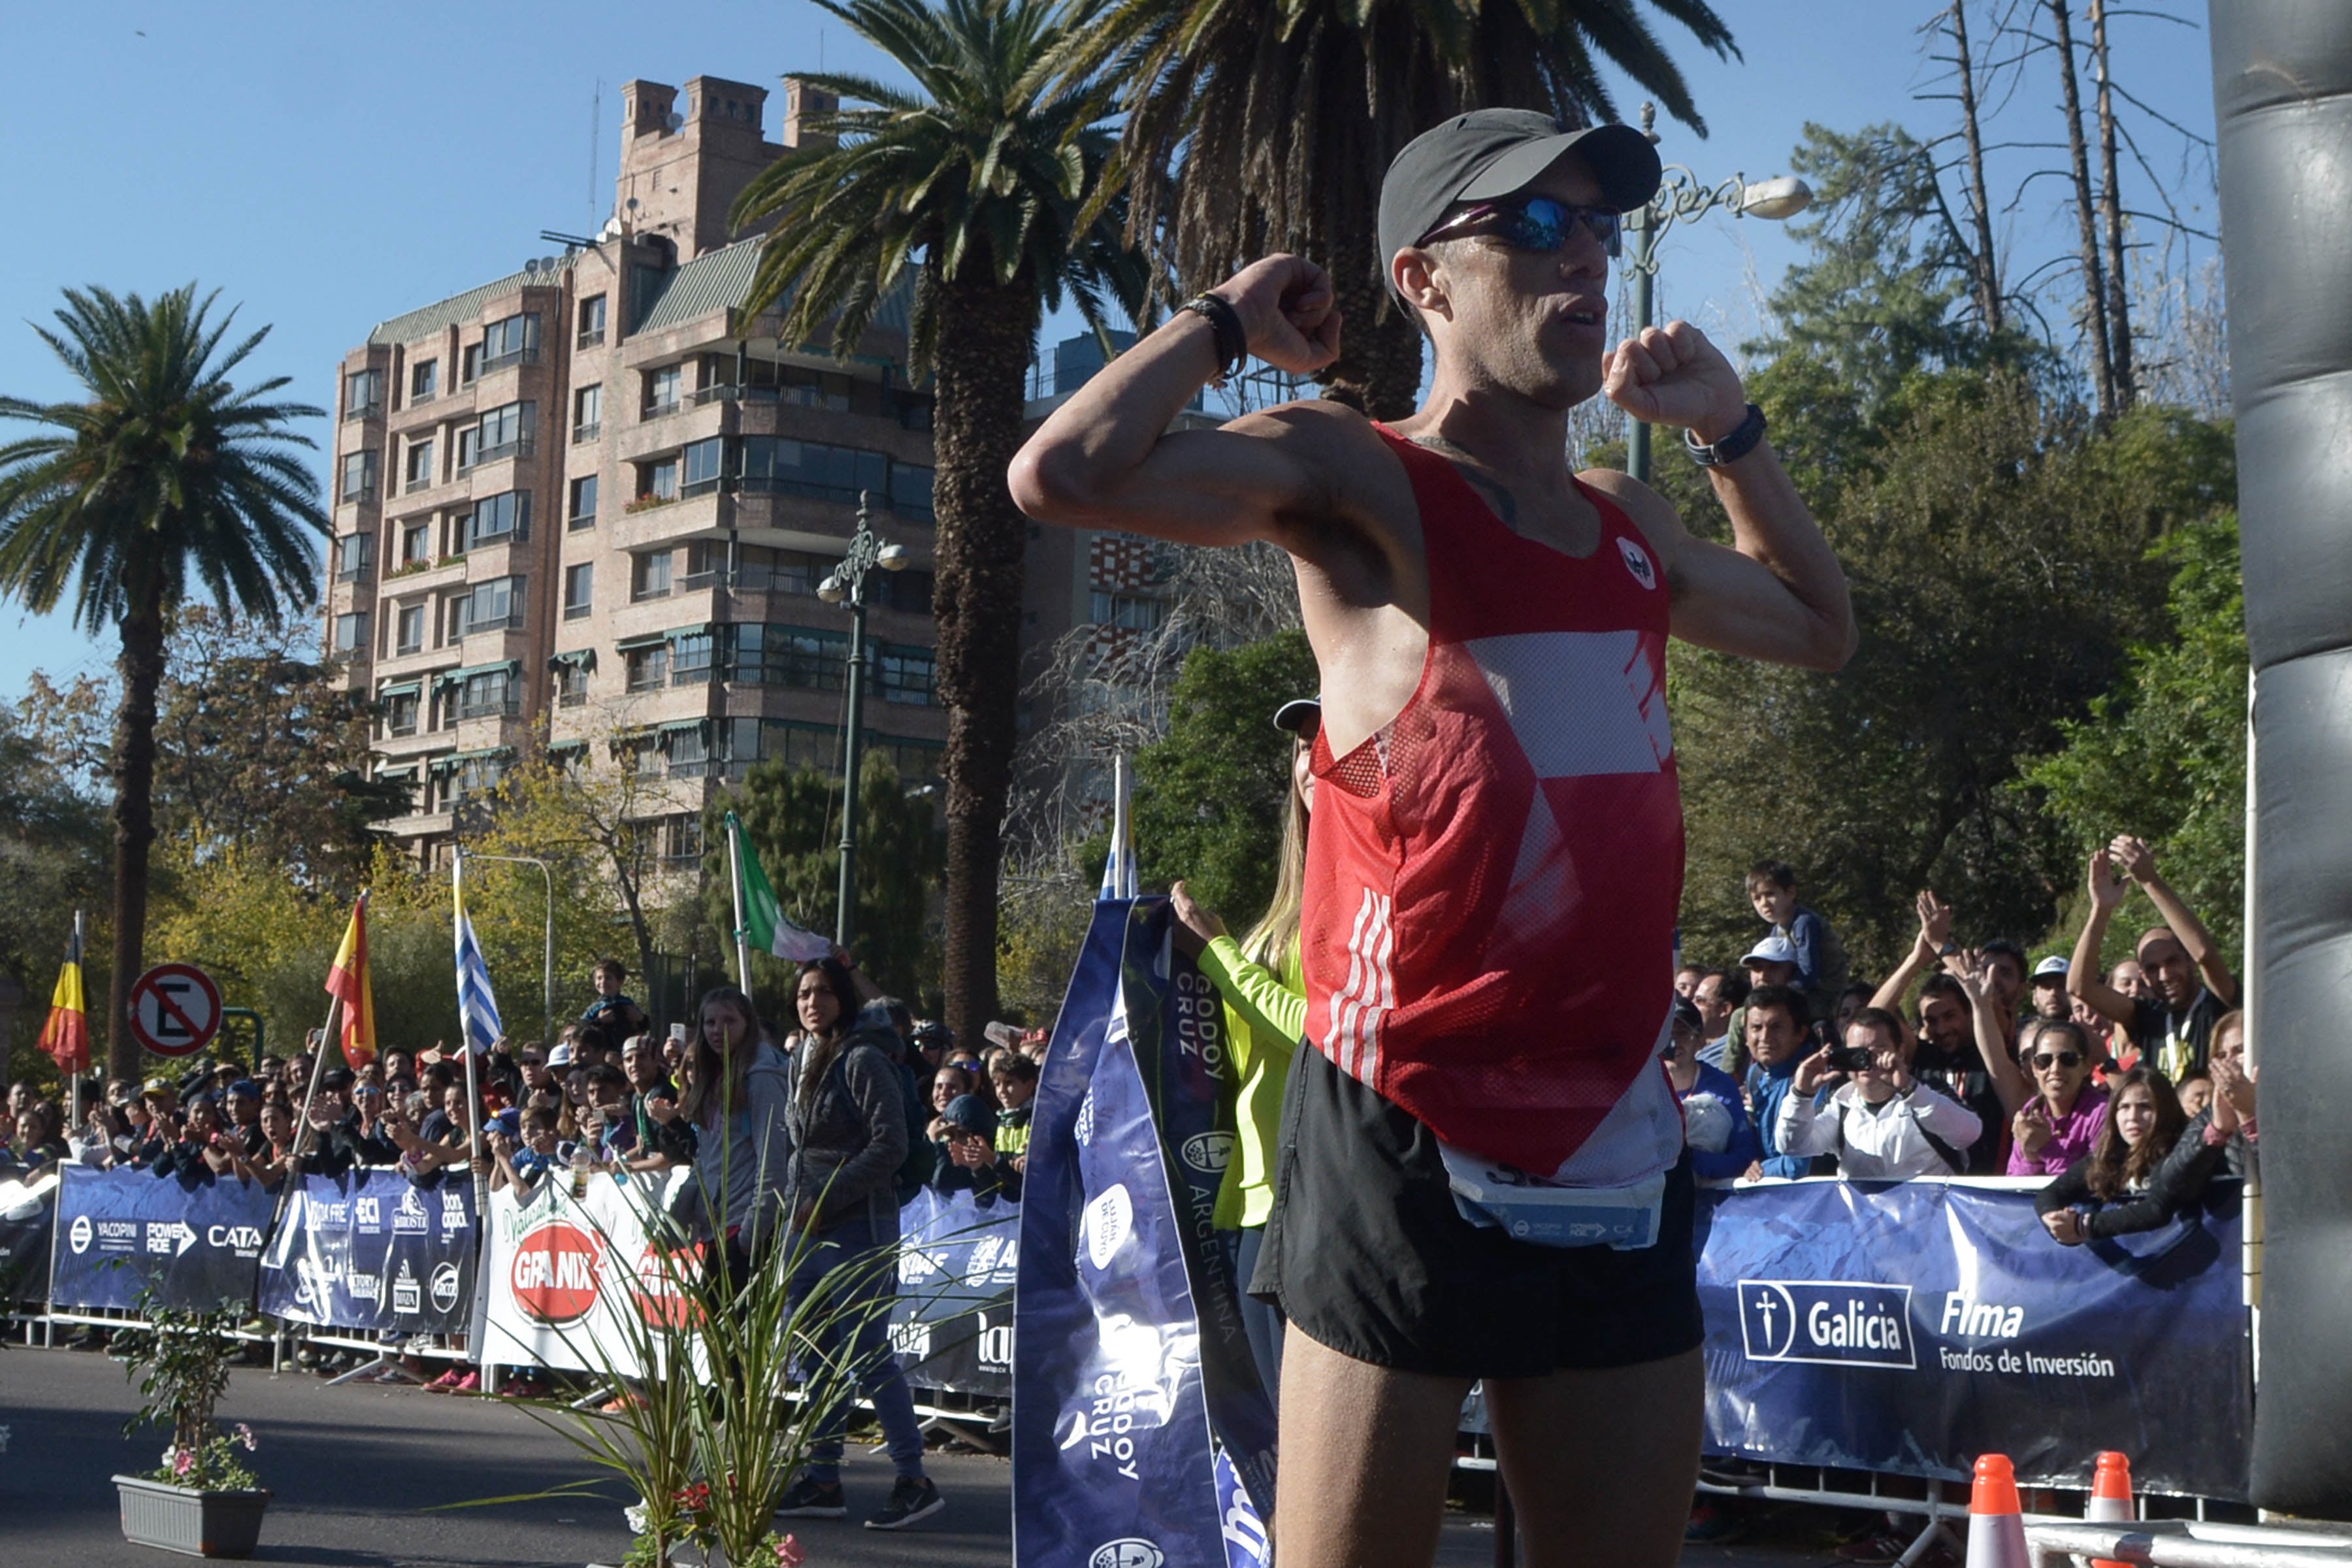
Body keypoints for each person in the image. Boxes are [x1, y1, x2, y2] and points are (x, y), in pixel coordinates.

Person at [1011, 106, 1856, 1567]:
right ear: (1426, 280)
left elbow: (1820, 630)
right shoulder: (1362, 478)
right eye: (1532, 225)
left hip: (1611, 1127)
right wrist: (1221, 323)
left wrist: (1735, 431)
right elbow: (1062, 474)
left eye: (1596, 226)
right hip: (1405, 1121)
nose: (1580, 256)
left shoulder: (1628, 518)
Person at [1171, 689, 1317, 1405]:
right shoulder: (1287, 906)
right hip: (1249, 1197)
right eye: (1301, 746)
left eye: (1332, 737)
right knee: (1271, 1436)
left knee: (1306, 1443)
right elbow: (1241, 1050)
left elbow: (1317, 1032)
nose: (1313, 757)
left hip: (1317, 1196)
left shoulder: (1361, 900)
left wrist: (1220, 956)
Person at [772, 959, 943, 1531]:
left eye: (822, 991)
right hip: (805, 1228)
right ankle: (823, 1477)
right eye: (802, 993)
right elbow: (797, 1147)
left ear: (843, 997)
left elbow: (890, 1145)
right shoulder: (800, 1059)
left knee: (866, 1351)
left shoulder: (864, 1059)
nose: (811, 1000)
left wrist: (827, 1196)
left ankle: (914, 1478)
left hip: (857, 1225)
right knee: (813, 1352)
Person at [2068, 839, 2238, 1080]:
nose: (2165, 975)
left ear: (2189, 960)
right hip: (2162, 1118)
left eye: (2172, 962)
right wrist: (2101, 909)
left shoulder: (2218, 1003)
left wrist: (2150, 881)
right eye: (2153, 968)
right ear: (2144, 975)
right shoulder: (2146, 1016)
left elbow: (2205, 954)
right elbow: (2079, 987)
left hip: (2211, 1117)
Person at [1774, 1008, 1982, 1180]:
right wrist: (1801, 1095)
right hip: (1865, 1226)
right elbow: (1793, 1146)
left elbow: (1968, 1134)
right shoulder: (1841, 1105)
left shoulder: (1927, 1092)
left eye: (1878, 1051)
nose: (1867, 1062)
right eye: (1857, 1053)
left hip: (1928, 1224)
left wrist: (1911, 1091)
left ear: (1899, 1052)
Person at [2034, 1066, 2236, 1242]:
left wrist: (2084, 1226)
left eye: (2145, 1107)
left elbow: (2157, 1209)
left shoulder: (2175, 1152)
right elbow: (2050, 1194)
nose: (2132, 1117)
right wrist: (2056, 1222)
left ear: (2166, 1110)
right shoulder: (2110, 1156)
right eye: (2124, 1107)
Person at [1661, 997, 1758, 1184]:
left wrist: (1689, 1158)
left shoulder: (1722, 1086)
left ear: (1700, 1041)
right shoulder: (1643, 1086)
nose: (1674, 1042)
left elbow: (1744, 1158)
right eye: (1666, 1034)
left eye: (1683, 1033)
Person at [2007, 1019, 2108, 1178]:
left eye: (2068, 1059)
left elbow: (2096, 1183)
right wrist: (2032, 1159)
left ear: (2087, 1066)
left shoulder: (2103, 1113)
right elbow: (2013, 1188)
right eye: (2044, 1061)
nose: (2055, 1069)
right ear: (2034, 1068)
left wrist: (2047, 1148)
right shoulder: (2030, 1112)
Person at [1741, 985, 1818, 1179]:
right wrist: (1747, 1161)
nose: (1765, 1038)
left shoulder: (1814, 1078)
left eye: (1776, 1027)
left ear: (1800, 1033)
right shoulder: (1756, 1074)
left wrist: (1753, 1173)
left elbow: (1799, 1164)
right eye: (1756, 1028)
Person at [1744, 860, 1846, 1002]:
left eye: (1770, 894)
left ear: (1791, 893)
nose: (1764, 903)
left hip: (1827, 995)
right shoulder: (1777, 930)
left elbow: (1808, 973)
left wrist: (1780, 996)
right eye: (1757, 898)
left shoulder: (1804, 923)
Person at [931, 1094, 1013, 1205]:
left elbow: (940, 1181)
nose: (953, 1142)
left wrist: (935, 1144)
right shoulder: (949, 1164)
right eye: (950, 1134)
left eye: (961, 1134)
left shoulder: (994, 1168)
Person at [582, 957, 651, 1043]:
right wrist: (599, 1021)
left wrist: (640, 1018)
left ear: (620, 981)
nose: (603, 982)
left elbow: (647, 1025)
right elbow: (581, 1029)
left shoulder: (627, 1003)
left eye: (608, 978)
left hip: (625, 1048)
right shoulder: (595, 1008)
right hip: (602, 1050)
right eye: (599, 978)